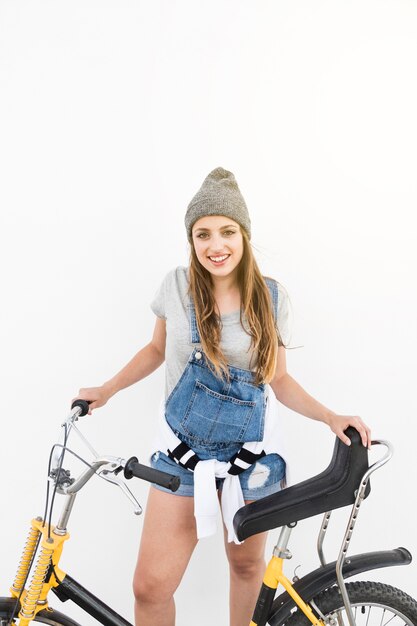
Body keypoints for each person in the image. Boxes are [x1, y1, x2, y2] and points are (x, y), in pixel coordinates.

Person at [73, 167, 371, 626]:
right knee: (149, 588)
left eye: (227, 231)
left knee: (248, 566)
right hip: (180, 457)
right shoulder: (175, 286)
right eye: (203, 233)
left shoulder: (271, 299)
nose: (216, 245)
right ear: (191, 241)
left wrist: (330, 415)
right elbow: (156, 349)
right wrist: (107, 390)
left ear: (244, 235)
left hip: (252, 461)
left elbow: (279, 379)